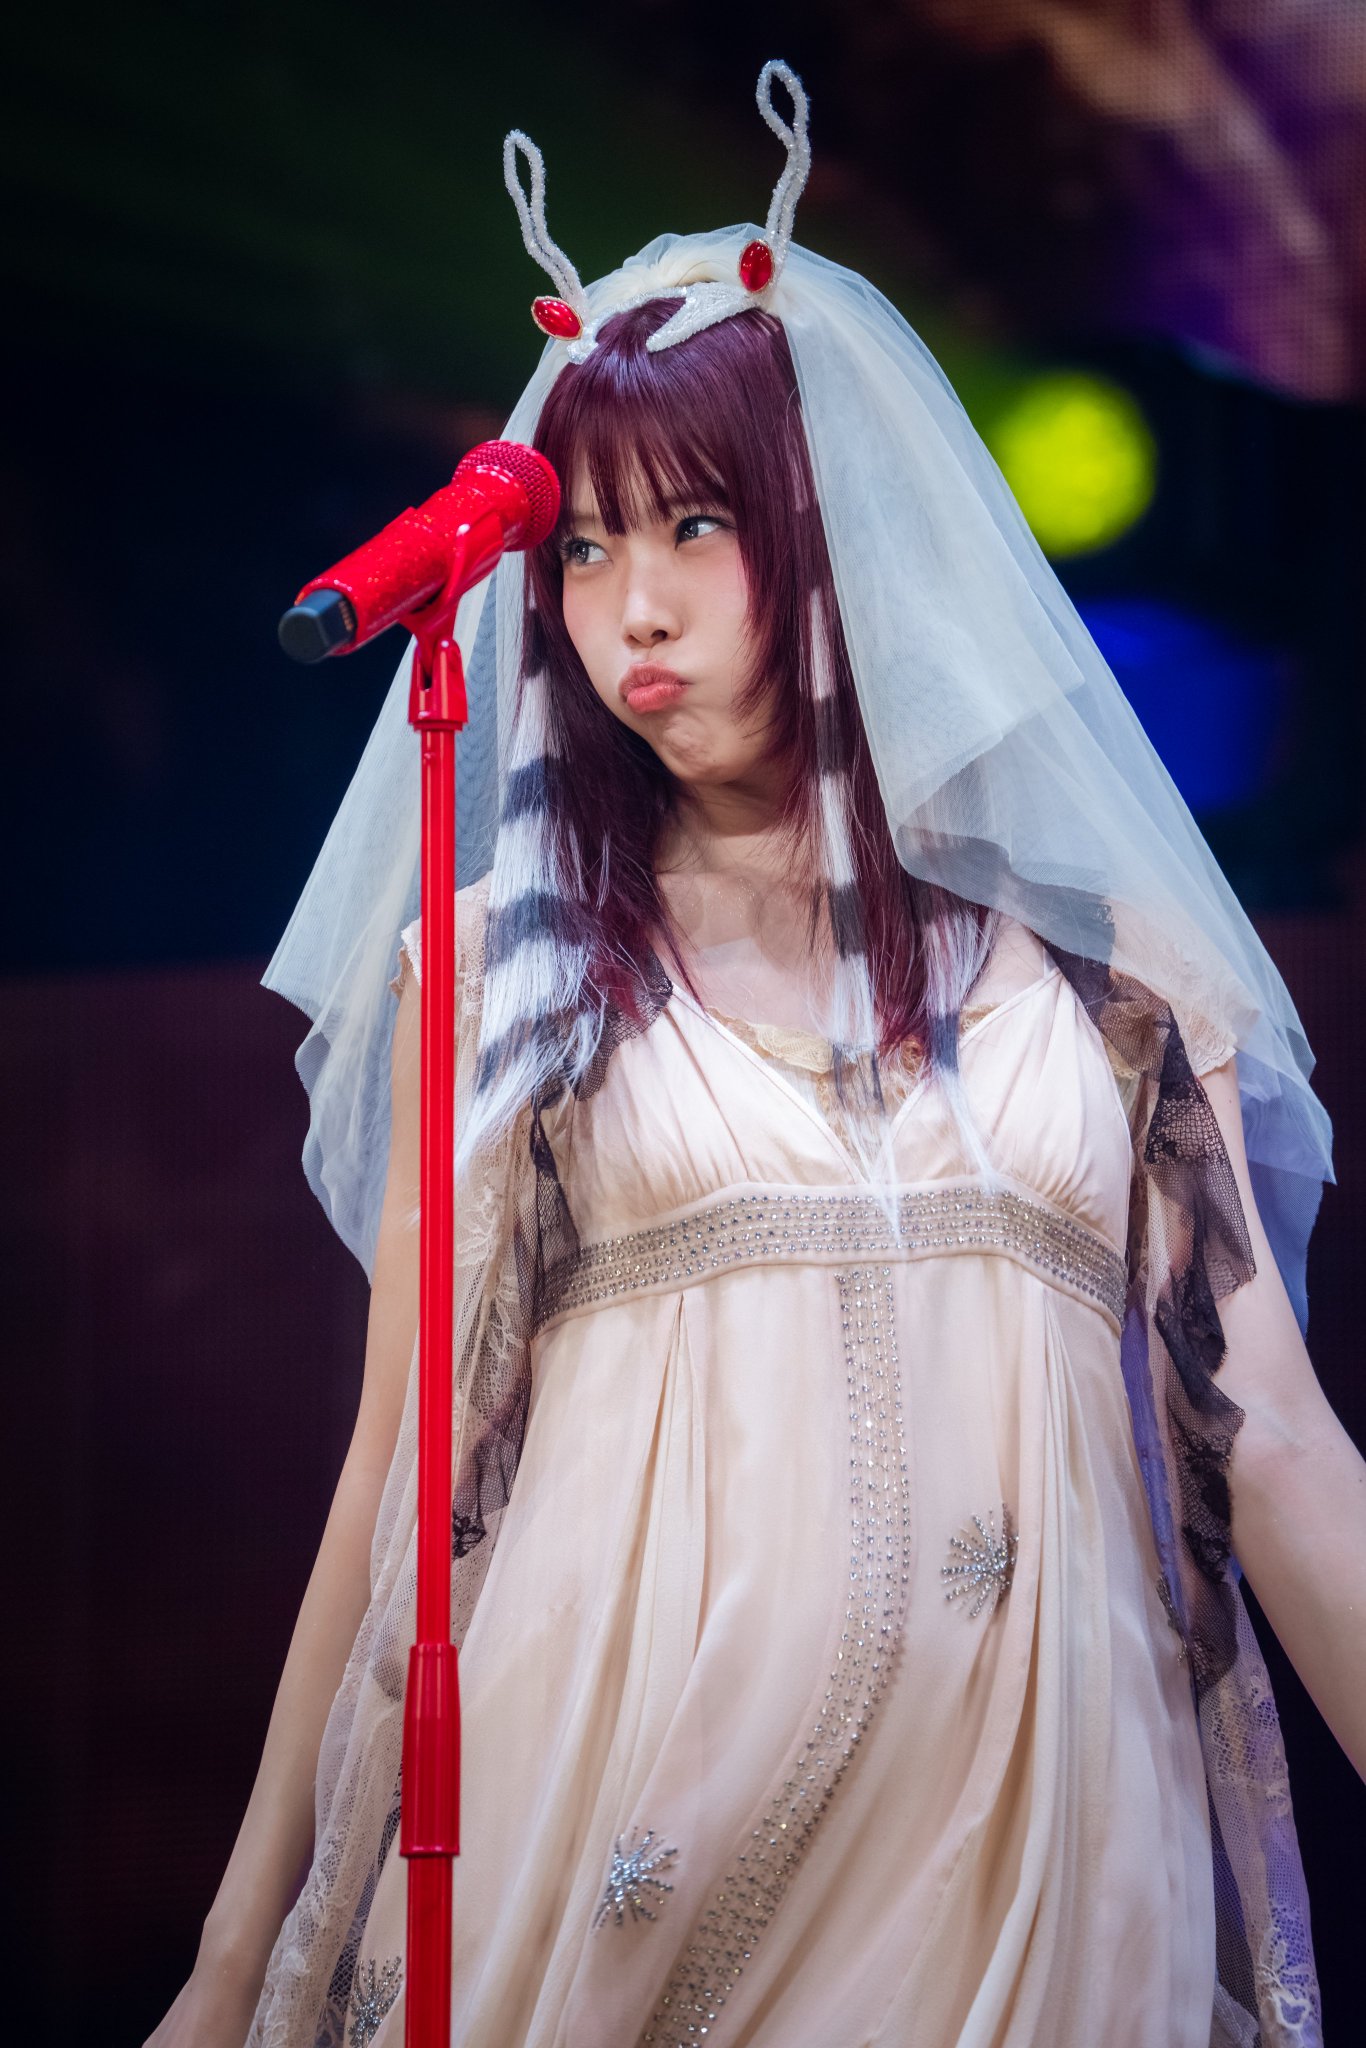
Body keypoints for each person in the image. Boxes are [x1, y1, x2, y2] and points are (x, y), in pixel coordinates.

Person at [147, 61, 1365, 2048]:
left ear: (841, 529)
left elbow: (1283, 1447)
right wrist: (227, 1965)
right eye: (582, 550)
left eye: (695, 525)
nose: (629, 609)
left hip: (1034, 1881)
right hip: (613, 1849)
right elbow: (397, 1492)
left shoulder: (1110, 974)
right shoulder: (504, 967)